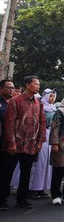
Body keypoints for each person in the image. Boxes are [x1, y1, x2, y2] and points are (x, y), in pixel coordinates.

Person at [0, 76, 46, 209]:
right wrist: (11, 142)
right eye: (35, 84)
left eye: (38, 84)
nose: (38, 86)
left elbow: (42, 123)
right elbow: (9, 124)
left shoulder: (39, 103)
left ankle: (22, 199)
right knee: (6, 173)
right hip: (15, 145)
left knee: (26, 174)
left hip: (31, 145)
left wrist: (40, 141)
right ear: (27, 85)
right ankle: (2, 200)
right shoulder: (15, 101)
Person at [29, 88, 56, 199]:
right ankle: (33, 188)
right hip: (41, 134)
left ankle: (43, 188)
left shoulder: (55, 108)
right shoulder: (40, 107)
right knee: (39, 162)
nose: (52, 98)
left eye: (54, 96)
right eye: (50, 96)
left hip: (51, 135)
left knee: (48, 164)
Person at [0, 79, 15, 210]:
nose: (11, 89)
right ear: (1, 88)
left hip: (9, 144)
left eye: (12, 87)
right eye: (8, 87)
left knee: (6, 173)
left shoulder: (13, 103)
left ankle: (3, 199)